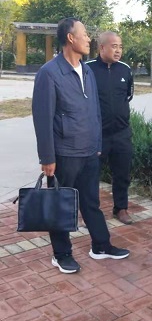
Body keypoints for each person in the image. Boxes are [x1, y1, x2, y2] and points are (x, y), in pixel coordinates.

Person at [32, 18, 130, 274]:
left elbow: (94, 110)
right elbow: (42, 118)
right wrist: (47, 157)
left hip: (89, 151)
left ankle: (101, 245)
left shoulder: (86, 70)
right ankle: (61, 254)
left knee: (91, 202)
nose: (88, 39)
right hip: (64, 153)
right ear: (70, 38)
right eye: (84, 34)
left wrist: (97, 143)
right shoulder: (49, 73)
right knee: (61, 204)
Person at [87, 32, 134, 225]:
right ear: (102, 47)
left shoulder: (125, 70)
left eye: (120, 47)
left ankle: (121, 208)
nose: (118, 50)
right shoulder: (88, 69)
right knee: (91, 175)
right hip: (97, 135)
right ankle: (91, 212)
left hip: (121, 133)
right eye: (114, 46)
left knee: (122, 174)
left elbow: (128, 96)